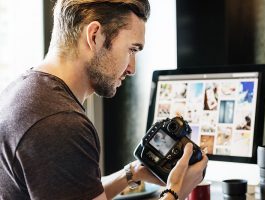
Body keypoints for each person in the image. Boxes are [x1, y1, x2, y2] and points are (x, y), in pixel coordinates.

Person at [0, 0, 208, 199]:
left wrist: (133, 172)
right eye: (131, 50)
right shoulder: (60, 123)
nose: (132, 68)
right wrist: (175, 192)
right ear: (95, 36)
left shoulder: (25, 90)